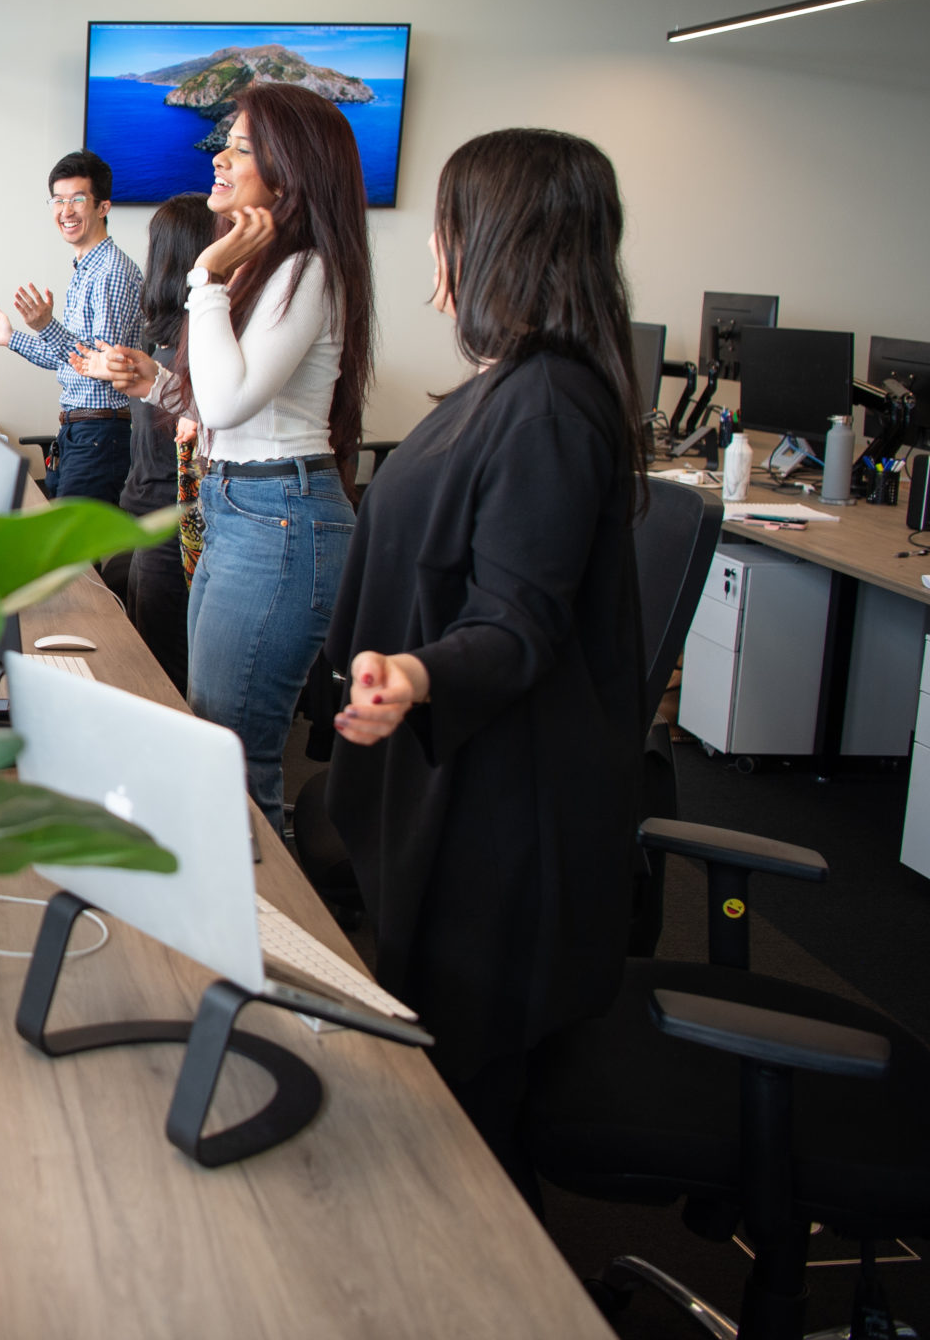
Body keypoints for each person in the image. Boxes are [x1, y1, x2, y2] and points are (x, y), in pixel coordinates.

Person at [324, 127, 647, 1196]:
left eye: (446, 225)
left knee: (465, 1131)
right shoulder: (507, 387)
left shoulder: (548, 408)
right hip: (453, 786)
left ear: (494, 240)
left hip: (502, 821)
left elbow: (516, 622)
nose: (435, 247)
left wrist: (414, 676)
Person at [70, 85, 375, 831]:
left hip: (278, 518)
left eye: (240, 148)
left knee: (236, 766)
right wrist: (159, 384)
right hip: (241, 507)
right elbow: (225, 405)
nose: (220, 158)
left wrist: (204, 276)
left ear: (289, 171)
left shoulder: (304, 270)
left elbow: (233, 403)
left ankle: (260, 911)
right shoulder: (265, 268)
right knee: (213, 738)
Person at [0, 150, 143, 506]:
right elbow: (67, 358)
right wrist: (11, 338)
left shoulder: (111, 272)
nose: (66, 211)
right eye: (58, 200)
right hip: (80, 430)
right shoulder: (85, 270)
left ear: (103, 207)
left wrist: (46, 325)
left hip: (100, 433)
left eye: (77, 200)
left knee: (72, 542)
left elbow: (101, 365)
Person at [109, 193, 218, 697]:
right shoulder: (163, 345)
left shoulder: (200, 354)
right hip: (144, 520)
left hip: (168, 531)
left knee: (160, 682)